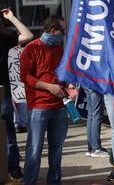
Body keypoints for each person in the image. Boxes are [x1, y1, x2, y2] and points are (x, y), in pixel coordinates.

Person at [20, 16, 71, 185]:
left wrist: (68, 86)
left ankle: (55, 182)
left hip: (59, 106)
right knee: (34, 149)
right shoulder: (31, 49)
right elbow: (26, 77)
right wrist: (50, 87)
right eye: (62, 31)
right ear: (52, 30)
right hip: (39, 107)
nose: (63, 34)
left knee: (57, 149)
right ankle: (29, 182)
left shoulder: (57, 48)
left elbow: (60, 74)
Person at [0, 8, 33, 182]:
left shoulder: (5, 39)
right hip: (4, 94)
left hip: (3, 94)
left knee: (8, 136)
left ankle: (14, 170)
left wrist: (12, 18)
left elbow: (28, 36)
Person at [82, 86, 109, 158]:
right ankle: (96, 148)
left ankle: (91, 148)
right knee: (96, 115)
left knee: (91, 114)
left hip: (86, 82)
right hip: (94, 82)